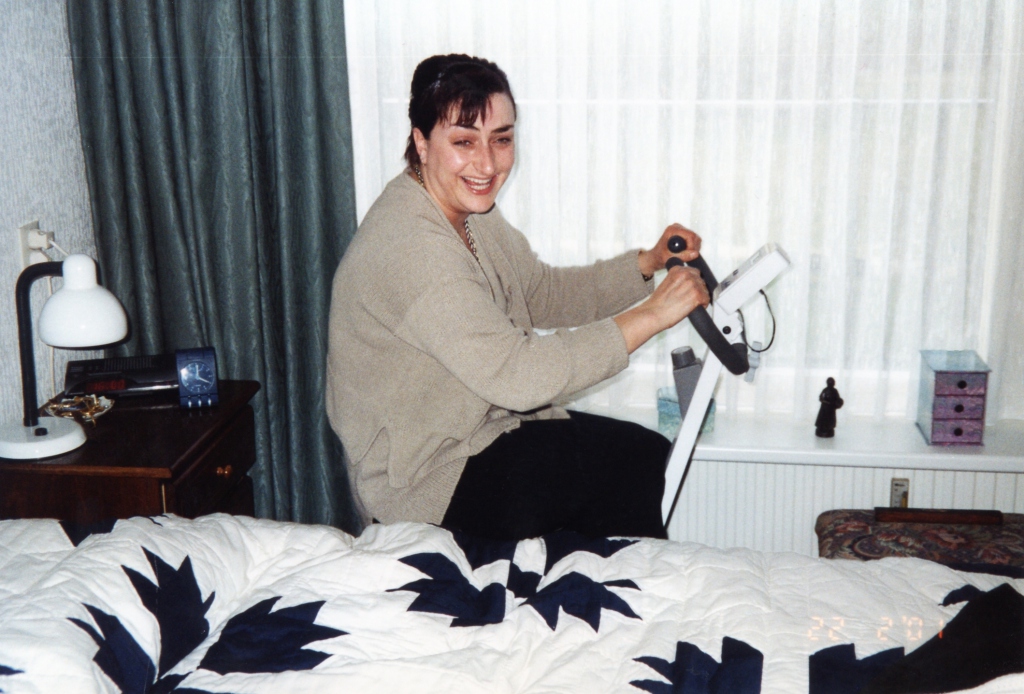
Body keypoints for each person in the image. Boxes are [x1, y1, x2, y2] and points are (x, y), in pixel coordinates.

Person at [326, 54, 709, 541]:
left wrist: (645, 264)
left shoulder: (468, 211)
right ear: (421, 143)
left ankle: (609, 582)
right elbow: (518, 375)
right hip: (427, 482)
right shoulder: (411, 248)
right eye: (464, 141)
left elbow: (540, 292)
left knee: (642, 456)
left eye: (501, 139)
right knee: (623, 469)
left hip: (483, 433)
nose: (487, 164)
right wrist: (653, 315)